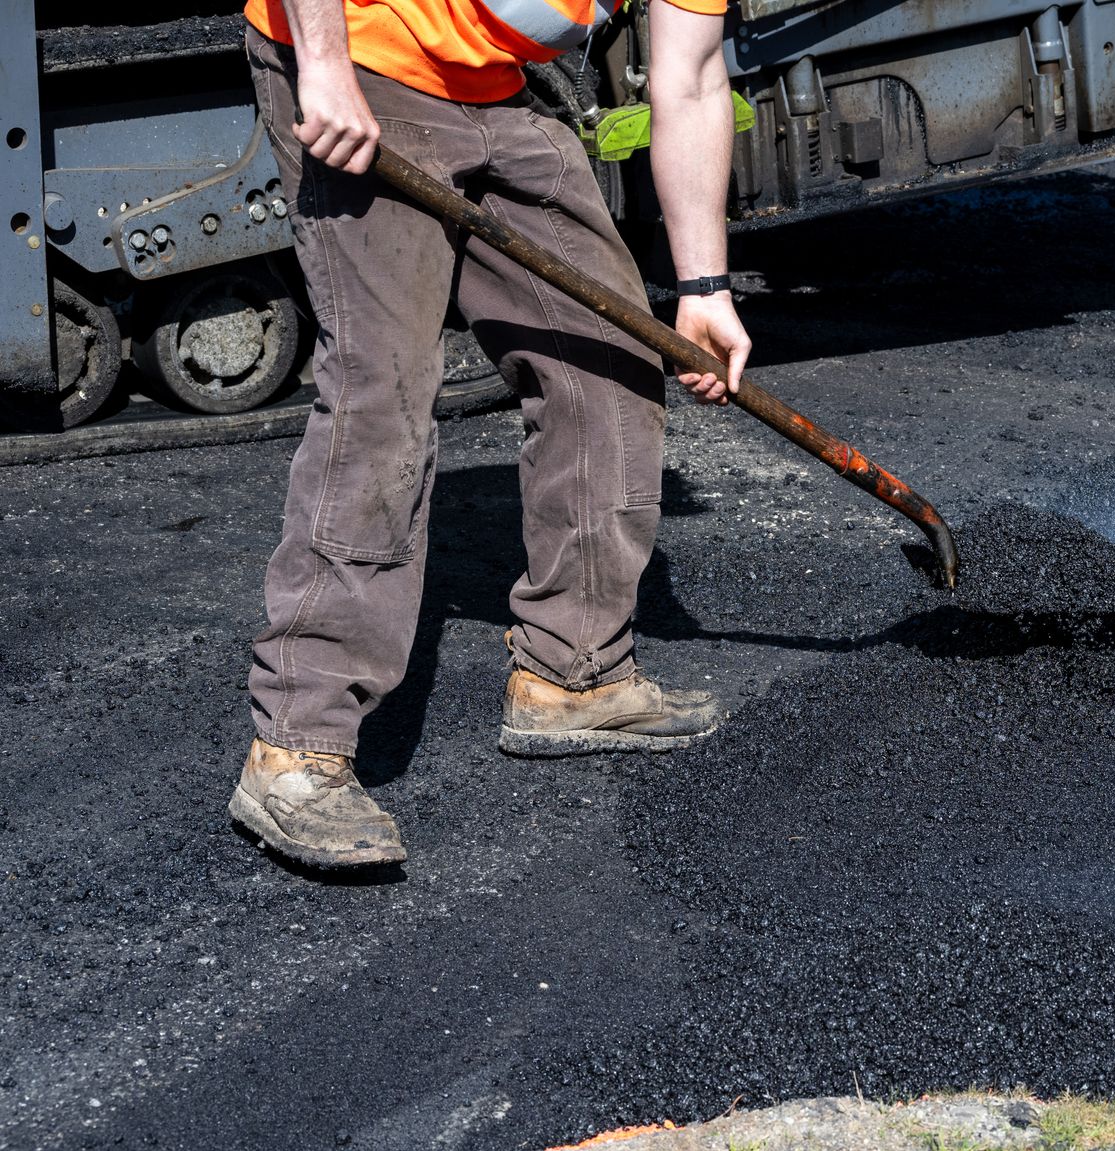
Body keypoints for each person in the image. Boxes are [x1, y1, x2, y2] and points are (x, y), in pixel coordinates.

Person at [228, 0, 749, 869]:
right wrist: (323, 65)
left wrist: (704, 287)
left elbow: (689, 80)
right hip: (360, 56)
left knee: (613, 353)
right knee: (382, 388)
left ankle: (570, 672)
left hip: (499, 90)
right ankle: (295, 747)